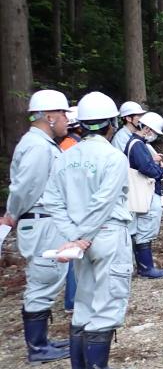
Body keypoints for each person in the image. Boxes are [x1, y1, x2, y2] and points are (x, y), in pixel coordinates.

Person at [44, 91, 134, 369]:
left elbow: (52, 201)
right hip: (106, 234)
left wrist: (72, 236)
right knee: (108, 297)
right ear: (112, 123)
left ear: (79, 125)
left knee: (84, 296)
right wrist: (83, 235)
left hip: (78, 240)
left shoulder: (65, 157)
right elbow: (104, 202)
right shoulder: (113, 158)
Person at [1, 90, 72, 363]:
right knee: (43, 279)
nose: (67, 119)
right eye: (64, 113)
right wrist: (11, 214)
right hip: (41, 222)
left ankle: (41, 342)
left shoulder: (41, 144)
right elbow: (24, 187)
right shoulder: (38, 147)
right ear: (50, 116)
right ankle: (38, 347)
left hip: (45, 221)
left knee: (48, 278)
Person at [125, 112, 163, 278]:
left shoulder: (135, 143)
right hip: (145, 193)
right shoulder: (137, 145)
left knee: (140, 230)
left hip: (143, 192)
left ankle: (143, 266)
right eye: (154, 132)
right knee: (145, 229)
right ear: (147, 129)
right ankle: (146, 268)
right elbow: (146, 167)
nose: (154, 135)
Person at [59, 106, 83, 312]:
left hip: (70, 204)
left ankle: (75, 298)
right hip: (74, 206)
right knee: (75, 251)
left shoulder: (66, 144)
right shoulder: (72, 146)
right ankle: (74, 299)